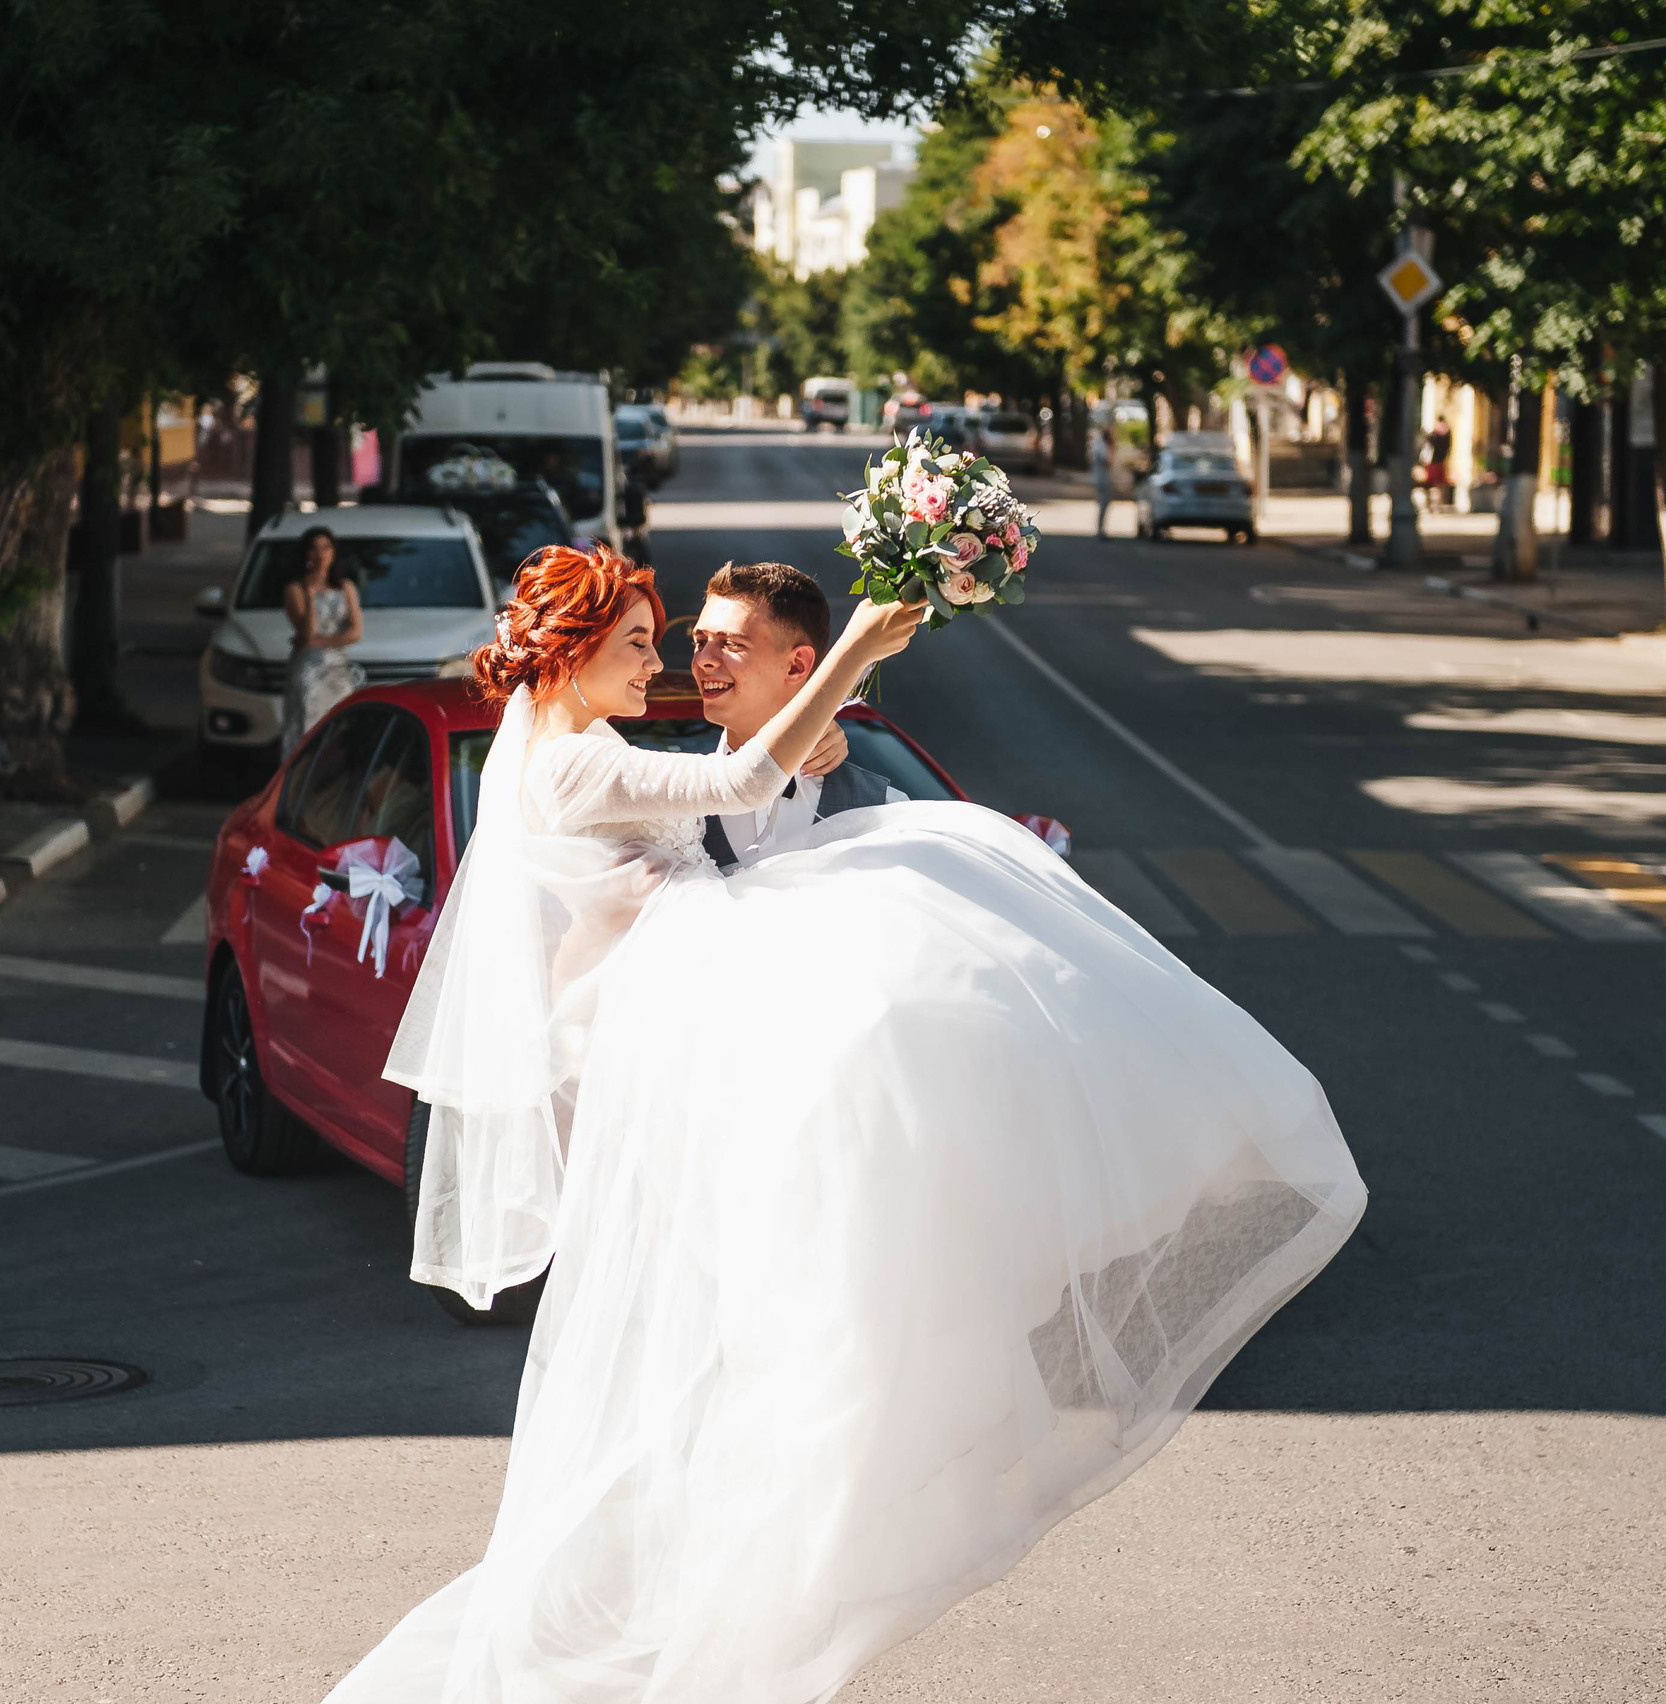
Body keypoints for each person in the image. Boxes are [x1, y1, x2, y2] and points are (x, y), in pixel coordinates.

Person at [342, 544, 1366, 1704]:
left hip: (683, 1037)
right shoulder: (573, 766)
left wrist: (803, 737)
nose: (667, 662)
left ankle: (804, 1462)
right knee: (894, 1004)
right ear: (574, 653)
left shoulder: (580, 743)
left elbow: (712, 802)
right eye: (642, 644)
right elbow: (714, 801)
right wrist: (848, 663)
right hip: (673, 1047)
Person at [690, 561, 905, 869]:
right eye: (699, 642)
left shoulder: (886, 810)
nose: (704, 660)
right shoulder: (671, 803)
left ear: (796, 666)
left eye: (732, 644)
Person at [276, 525, 362, 757]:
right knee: (306, 724)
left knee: (339, 727)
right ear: (305, 554)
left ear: (334, 553)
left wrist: (319, 641)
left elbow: (355, 632)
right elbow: (307, 632)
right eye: (314, 549)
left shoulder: (346, 587)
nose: (320, 554)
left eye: (326, 548)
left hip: (337, 669)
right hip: (309, 669)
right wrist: (310, 594)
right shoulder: (295, 589)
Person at [1090, 421, 1119, 536]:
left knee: (1104, 504)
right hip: (1102, 479)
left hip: (1102, 478)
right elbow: (1107, 461)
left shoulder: (1099, 445)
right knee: (1103, 503)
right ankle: (1100, 529)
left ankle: (1101, 528)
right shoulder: (1101, 446)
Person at [1423, 417, 1455, 514]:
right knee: (1430, 484)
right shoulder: (1434, 435)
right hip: (1433, 462)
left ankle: (1438, 505)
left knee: (1440, 485)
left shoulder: (1445, 435)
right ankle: (1431, 505)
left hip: (1440, 462)